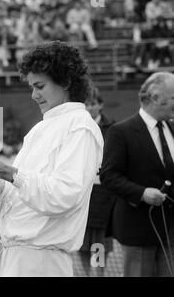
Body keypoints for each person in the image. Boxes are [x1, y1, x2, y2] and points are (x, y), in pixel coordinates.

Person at [0, 41, 104, 276]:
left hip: (41, 262)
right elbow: (20, 191)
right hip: (15, 256)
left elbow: (64, 195)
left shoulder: (80, 127)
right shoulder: (40, 129)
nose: (34, 95)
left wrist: (9, 173)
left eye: (40, 86)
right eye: (31, 87)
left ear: (65, 82)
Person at [100, 72, 174, 277]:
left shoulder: (172, 127)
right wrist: (142, 193)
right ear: (156, 98)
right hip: (138, 230)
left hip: (170, 231)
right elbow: (109, 176)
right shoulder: (120, 132)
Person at [79, 87, 116, 276]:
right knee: (81, 243)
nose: (90, 108)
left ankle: (98, 274)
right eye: (86, 104)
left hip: (103, 196)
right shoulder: (77, 128)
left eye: (93, 104)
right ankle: (88, 274)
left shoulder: (112, 129)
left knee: (98, 242)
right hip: (81, 194)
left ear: (100, 105)